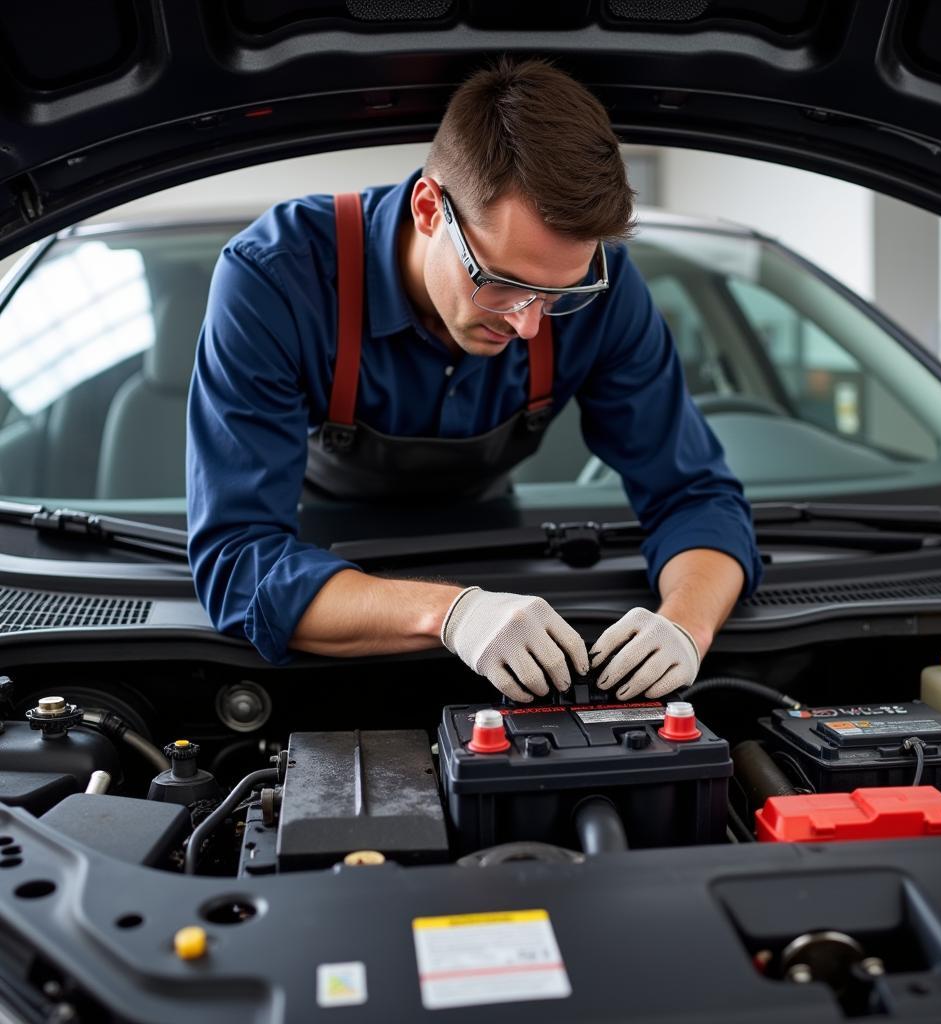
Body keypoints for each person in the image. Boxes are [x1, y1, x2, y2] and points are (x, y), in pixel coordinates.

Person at [187, 57, 762, 703]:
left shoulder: (606, 290)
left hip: (507, 542)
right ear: (430, 208)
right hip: (327, 575)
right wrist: (454, 613)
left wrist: (686, 625)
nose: (527, 328)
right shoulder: (276, 277)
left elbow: (695, 497)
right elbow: (240, 564)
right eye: (504, 285)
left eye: (558, 296)